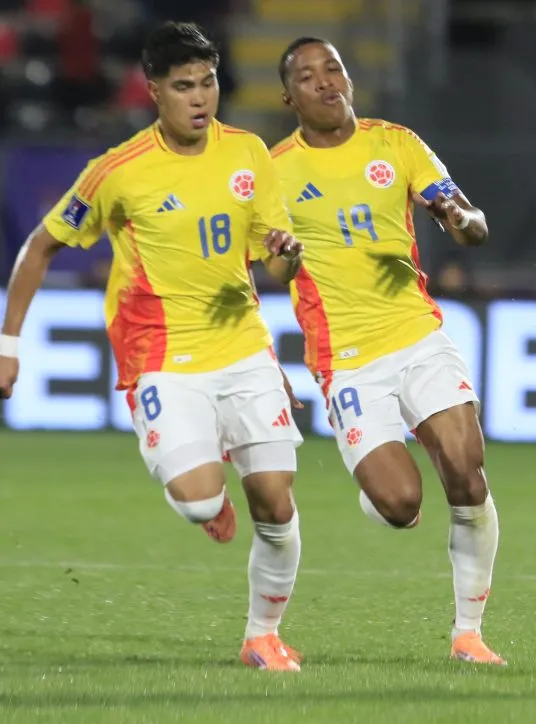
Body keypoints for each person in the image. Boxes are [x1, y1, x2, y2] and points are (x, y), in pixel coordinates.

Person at [0, 22, 307, 673]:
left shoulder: (249, 152)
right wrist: (8, 343)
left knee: (277, 502)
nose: (200, 98)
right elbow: (41, 246)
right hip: (161, 358)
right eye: (184, 86)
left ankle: (262, 636)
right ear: (154, 91)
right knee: (199, 500)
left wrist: (286, 252)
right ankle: (208, 486)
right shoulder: (118, 171)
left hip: (244, 348)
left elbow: (273, 260)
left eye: (209, 82)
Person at [272, 37, 504, 665]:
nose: (326, 81)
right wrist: (284, 265)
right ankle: (380, 492)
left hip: (416, 333)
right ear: (288, 97)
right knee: (401, 504)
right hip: (346, 357)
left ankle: (468, 633)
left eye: (334, 68)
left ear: (348, 78)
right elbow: (262, 270)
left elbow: (471, 220)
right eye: (308, 76)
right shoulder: (274, 171)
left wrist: (460, 219)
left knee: (466, 470)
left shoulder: (397, 143)